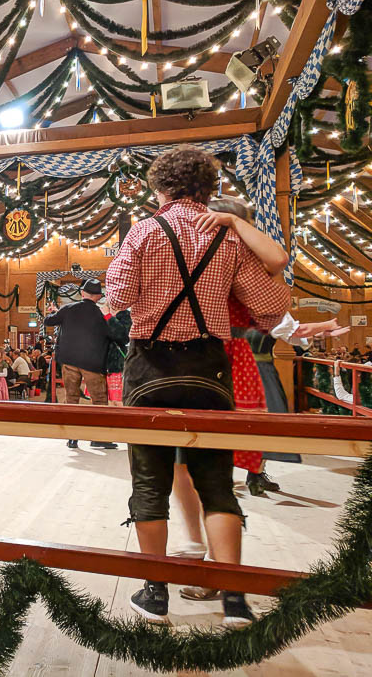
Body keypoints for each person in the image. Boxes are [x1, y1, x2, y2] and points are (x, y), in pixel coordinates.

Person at [105, 146, 290, 627]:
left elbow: (118, 295)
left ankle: (155, 594)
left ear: (159, 187)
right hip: (210, 368)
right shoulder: (226, 239)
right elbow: (271, 306)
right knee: (216, 485)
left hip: (150, 367)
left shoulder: (144, 230)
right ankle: (235, 601)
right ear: (208, 188)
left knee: (150, 483)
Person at [45, 279, 116, 450]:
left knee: (71, 399)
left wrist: (55, 312)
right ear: (98, 296)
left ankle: (72, 438)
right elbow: (114, 335)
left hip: (69, 361)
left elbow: (49, 321)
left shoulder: (69, 309)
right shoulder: (101, 314)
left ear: (82, 294)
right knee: (99, 400)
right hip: (93, 362)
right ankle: (98, 438)